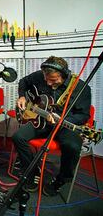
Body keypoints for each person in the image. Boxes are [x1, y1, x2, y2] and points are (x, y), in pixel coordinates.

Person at [12, 56, 91, 196]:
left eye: (53, 80)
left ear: (64, 75)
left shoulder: (81, 88)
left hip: (64, 125)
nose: (48, 83)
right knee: (18, 137)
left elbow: (83, 116)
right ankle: (32, 171)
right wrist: (22, 96)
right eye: (46, 79)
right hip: (41, 121)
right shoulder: (40, 76)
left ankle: (61, 180)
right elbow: (24, 82)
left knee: (72, 146)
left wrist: (62, 119)